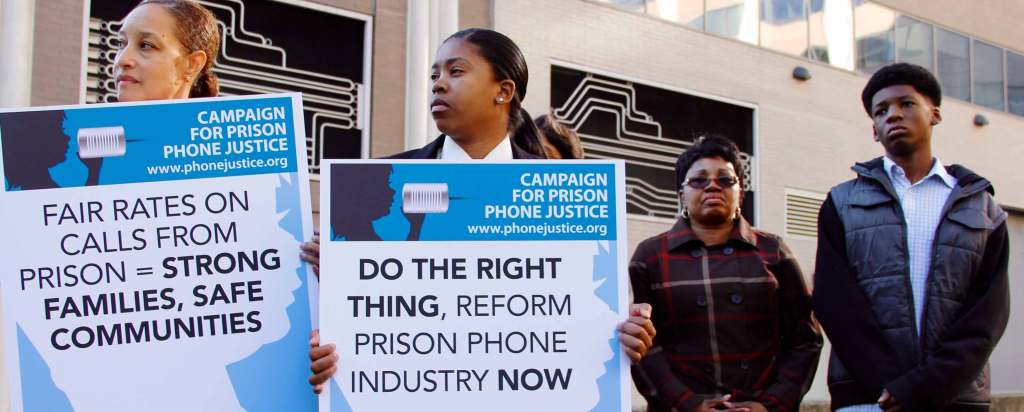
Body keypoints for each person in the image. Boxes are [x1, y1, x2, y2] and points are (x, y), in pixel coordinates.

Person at [301, 28, 657, 394]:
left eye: (456, 71)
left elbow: (578, 306)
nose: (438, 85)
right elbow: (357, 320)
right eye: (434, 75)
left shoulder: (564, 191)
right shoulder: (376, 186)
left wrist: (620, 334)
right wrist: (334, 289)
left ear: (503, 91)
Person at [812, 63, 1010, 411]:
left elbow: (988, 314)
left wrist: (926, 385)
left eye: (906, 104)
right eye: (881, 110)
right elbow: (835, 303)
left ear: (934, 115)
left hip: (955, 397)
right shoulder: (841, 203)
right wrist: (896, 386)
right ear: (874, 130)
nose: (893, 115)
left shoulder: (982, 207)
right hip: (869, 397)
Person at [630, 135, 822, 412]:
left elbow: (804, 341)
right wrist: (689, 404)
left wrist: (769, 405)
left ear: (740, 192)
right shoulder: (649, 256)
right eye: (698, 180)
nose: (712, 186)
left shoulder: (774, 250)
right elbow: (642, 346)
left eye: (725, 180)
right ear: (681, 194)